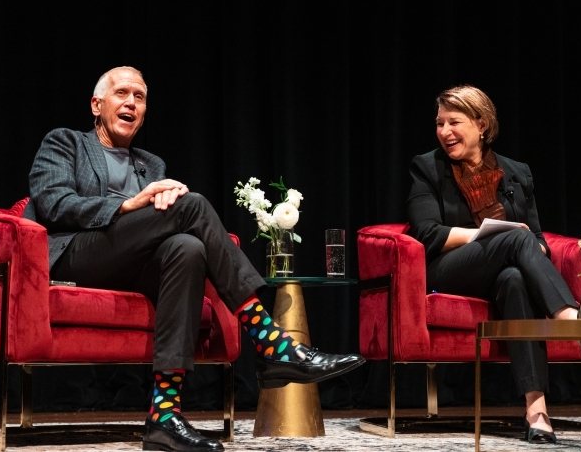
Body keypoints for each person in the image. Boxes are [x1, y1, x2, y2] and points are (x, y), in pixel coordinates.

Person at [23, 66, 365, 451]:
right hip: (75, 256)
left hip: (127, 264)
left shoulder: (149, 165)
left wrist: (156, 210)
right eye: (122, 94)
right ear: (96, 105)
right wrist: (129, 205)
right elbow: (52, 204)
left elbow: (155, 231)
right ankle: (270, 343)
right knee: (194, 206)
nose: (131, 103)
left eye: (140, 97)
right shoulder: (65, 142)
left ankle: (164, 415)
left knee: (188, 249)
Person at [405, 85, 581, 444]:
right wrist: (489, 235)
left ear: (481, 124)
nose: (444, 132)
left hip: (504, 269)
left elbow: (540, 243)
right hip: (448, 270)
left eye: (455, 122)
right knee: (515, 238)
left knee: (515, 278)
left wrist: (525, 244)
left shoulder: (517, 172)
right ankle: (571, 321)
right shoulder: (427, 167)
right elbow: (427, 233)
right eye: (440, 123)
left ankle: (537, 410)